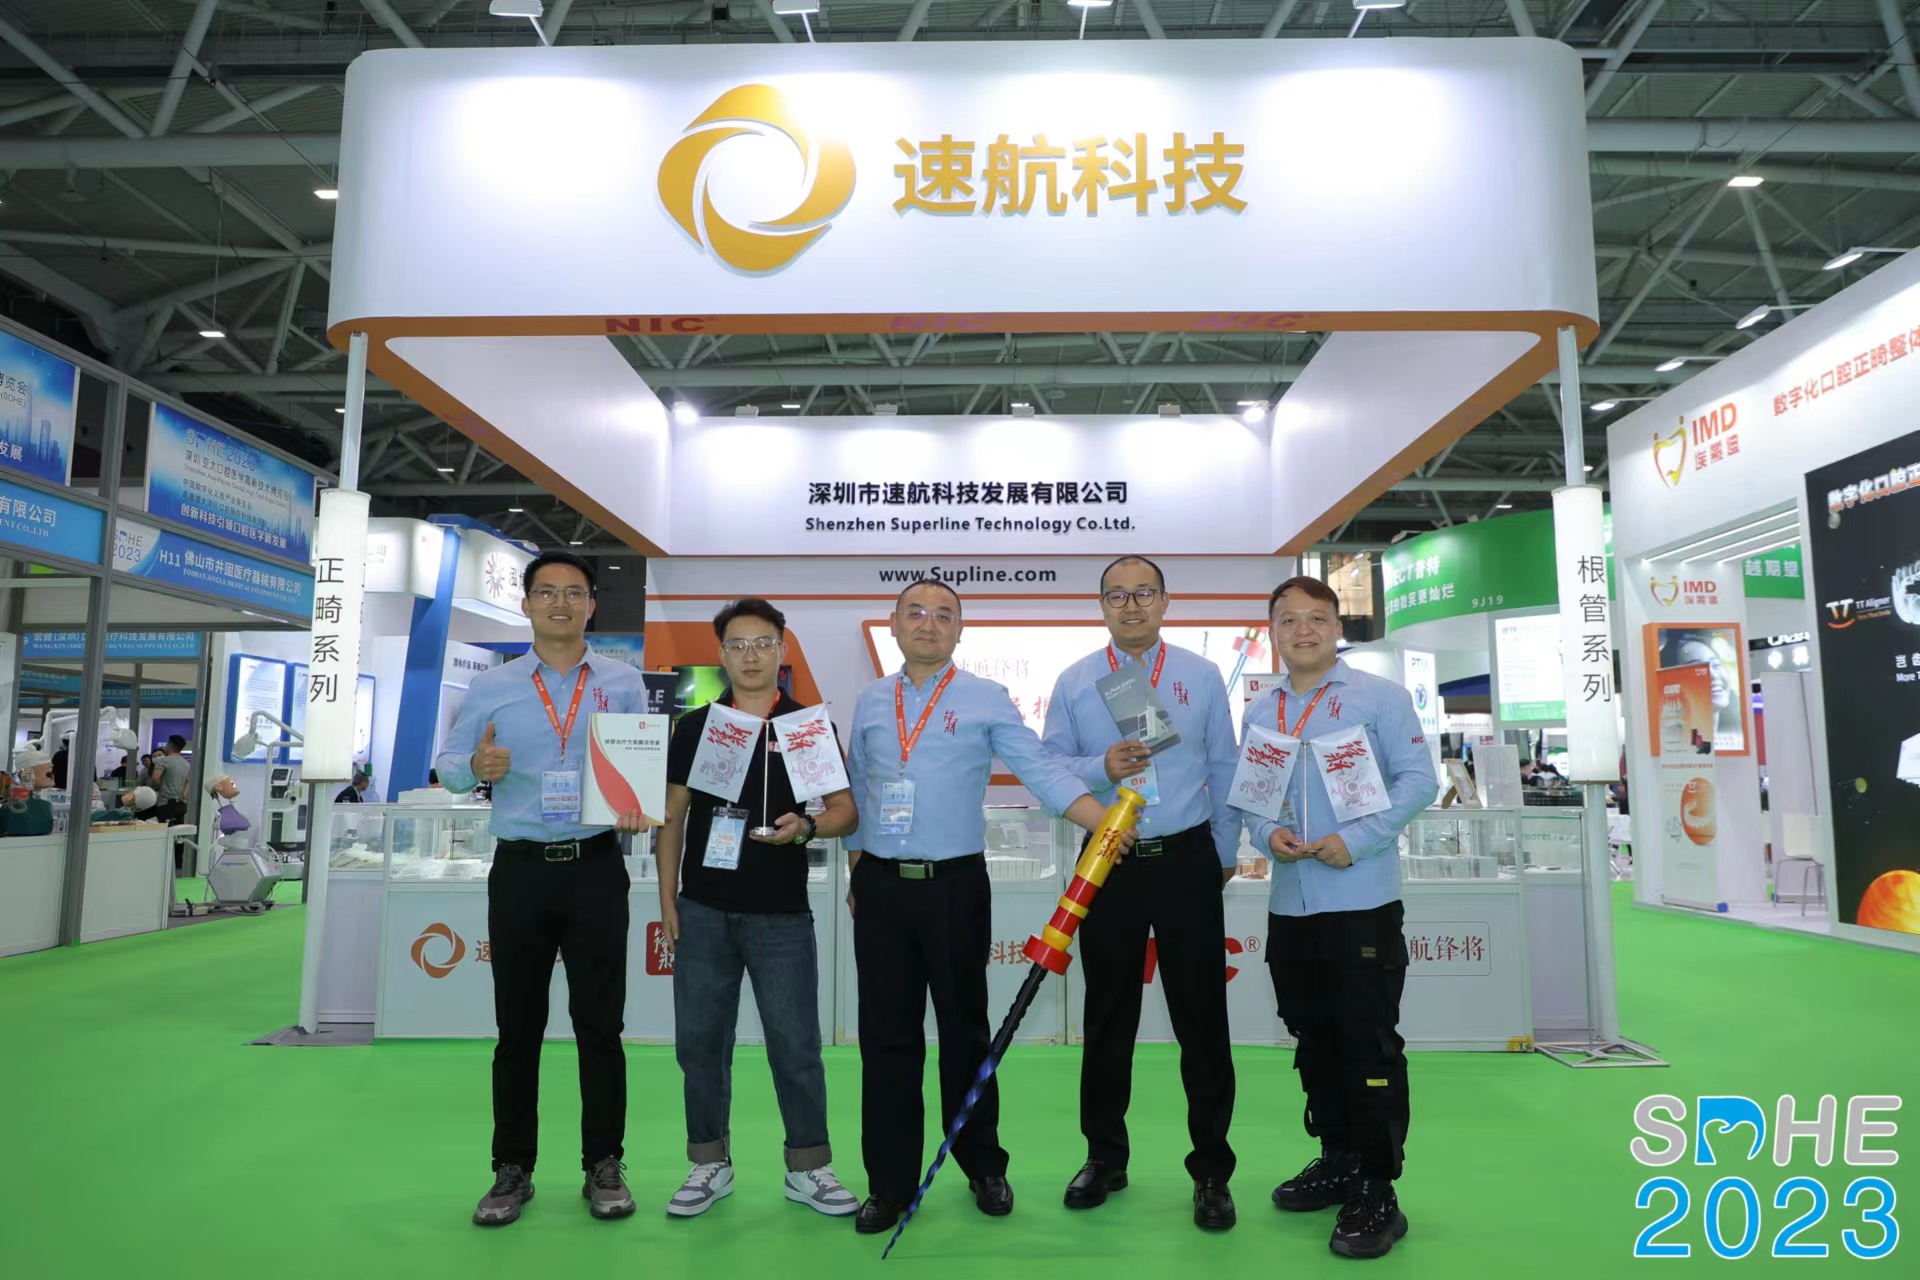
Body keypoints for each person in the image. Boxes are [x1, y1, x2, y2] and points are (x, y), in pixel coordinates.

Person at [842, 580, 1126, 1234]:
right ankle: (889, 1183)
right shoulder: (873, 700)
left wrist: (1104, 823)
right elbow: (859, 786)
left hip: (955, 887)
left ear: (960, 631)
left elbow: (1040, 770)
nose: (929, 623)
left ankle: (983, 1165)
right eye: (916, 612)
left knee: (966, 1030)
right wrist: (859, 868)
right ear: (894, 624)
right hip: (882, 887)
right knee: (885, 1038)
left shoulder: (985, 697)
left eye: (944, 615)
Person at [435, 551, 652, 1228]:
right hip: (522, 869)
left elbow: (640, 764)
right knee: (518, 1026)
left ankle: (604, 1162)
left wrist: (637, 802)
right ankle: (512, 1167)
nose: (561, 603)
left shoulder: (623, 683)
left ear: (592, 606)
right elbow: (448, 766)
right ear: (526, 604)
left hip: (595, 866)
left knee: (602, 1025)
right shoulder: (493, 686)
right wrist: (477, 765)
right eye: (547, 592)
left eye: (575, 593)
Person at [1237, 577, 1436, 1261]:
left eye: (1316, 618)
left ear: (1336, 627)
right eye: (1288, 619)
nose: (1303, 630)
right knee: (1313, 1038)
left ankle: (1379, 1188)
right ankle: (1339, 1159)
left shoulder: (1380, 698)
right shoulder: (1261, 709)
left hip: (1361, 902)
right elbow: (1252, 798)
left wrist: (1357, 840)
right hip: (1290, 905)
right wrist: (1267, 836)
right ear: (1273, 631)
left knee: (1367, 1045)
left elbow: (1419, 781)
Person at [1040, 556, 1242, 1229]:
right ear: (1101, 606)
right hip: (1110, 860)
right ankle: (1104, 1156)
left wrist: (1222, 852)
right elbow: (1050, 769)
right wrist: (1100, 766)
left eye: (1143, 593)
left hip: (1187, 859)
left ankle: (1211, 1169)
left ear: (1164, 601)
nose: (1131, 606)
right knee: (1107, 1016)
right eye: (1117, 595)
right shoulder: (1075, 681)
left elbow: (1225, 766)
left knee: (1202, 1020)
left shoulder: (1200, 675)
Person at [655, 598, 860, 1220]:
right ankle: (708, 1162)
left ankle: (808, 1166)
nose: (751, 656)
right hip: (703, 909)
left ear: (781, 650)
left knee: (796, 1044)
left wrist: (806, 828)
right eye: (739, 645)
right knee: (699, 1044)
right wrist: (667, 900)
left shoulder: (805, 726)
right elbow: (672, 817)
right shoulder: (696, 727)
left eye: (763, 643)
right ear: (721, 654)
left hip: (782, 915)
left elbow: (845, 812)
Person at [142, 735, 191, 824]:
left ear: (170, 744)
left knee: (163, 829)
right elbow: (188, 781)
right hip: (181, 805)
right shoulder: (186, 764)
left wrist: (155, 788)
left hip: (165, 804)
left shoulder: (162, 761)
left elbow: (155, 778)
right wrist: (184, 794)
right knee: (177, 829)